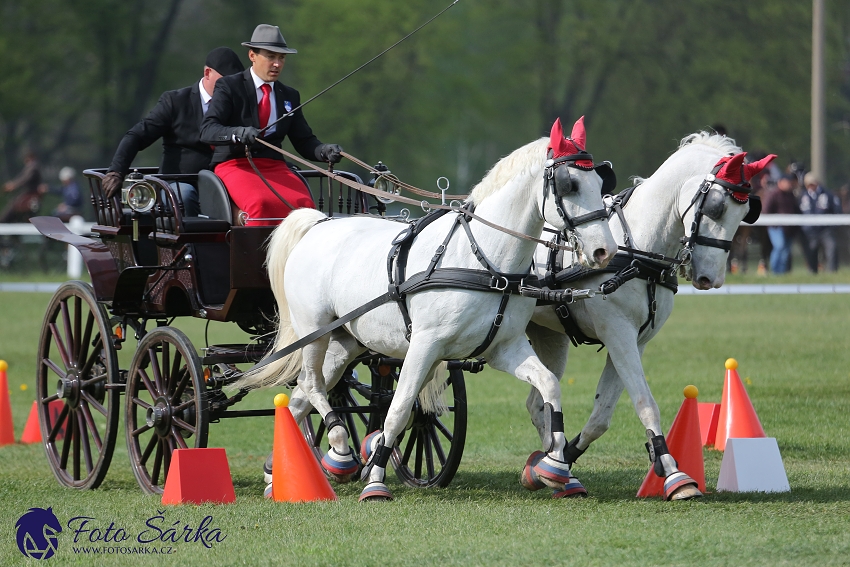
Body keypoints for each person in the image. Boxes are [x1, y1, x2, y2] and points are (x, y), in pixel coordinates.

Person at [199, 24, 343, 226]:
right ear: (252, 56)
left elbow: (304, 141)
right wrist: (237, 133)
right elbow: (208, 129)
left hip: (274, 165)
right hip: (235, 164)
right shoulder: (230, 86)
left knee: (305, 207)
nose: (277, 64)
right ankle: (255, 258)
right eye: (270, 57)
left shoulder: (290, 95)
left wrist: (323, 150)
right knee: (260, 204)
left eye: (281, 58)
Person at [101, 47, 246, 216]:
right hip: (179, 183)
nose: (230, 88)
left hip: (224, 182)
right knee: (185, 197)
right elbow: (137, 135)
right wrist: (117, 171)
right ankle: (195, 243)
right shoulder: (175, 102)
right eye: (225, 81)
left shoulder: (238, 106)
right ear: (207, 73)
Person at [799, 172, 841, 273]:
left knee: (832, 248)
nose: (811, 186)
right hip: (810, 232)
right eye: (809, 184)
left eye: (813, 183)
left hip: (825, 230)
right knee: (811, 252)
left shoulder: (828, 194)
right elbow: (798, 212)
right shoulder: (802, 196)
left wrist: (832, 226)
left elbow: (837, 210)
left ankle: (832, 272)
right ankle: (812, 272)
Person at [763, 174, 800, 274]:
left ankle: (782, 273)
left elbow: (797, 210)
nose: (789, 184)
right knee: (779, 247)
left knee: (786, 251)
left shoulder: (791, 195)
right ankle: (775, 272)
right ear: (780, 182)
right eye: (787, 182)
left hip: (790, 229)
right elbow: (766, 210)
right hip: (776, 227)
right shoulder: (773, 194)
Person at [1, 150, 44, 223]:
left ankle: (2, 222)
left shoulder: (33, 167)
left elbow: (25, 179)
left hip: (30, 194)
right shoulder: (32, 167)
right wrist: (13, 183)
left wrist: (13, 185)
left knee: (14, 206)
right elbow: (21, 177)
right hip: (27, 193)